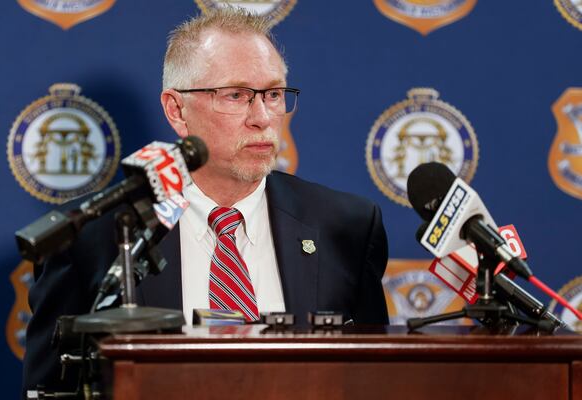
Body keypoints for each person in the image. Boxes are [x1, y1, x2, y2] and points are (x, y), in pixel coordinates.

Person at [22, 7, 389, 396]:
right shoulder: (92, 234)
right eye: (236, 95)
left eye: (274, 94)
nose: (263, 117)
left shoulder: (345, 227)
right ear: (176, 110)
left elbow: (377, 380)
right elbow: (49, 388)